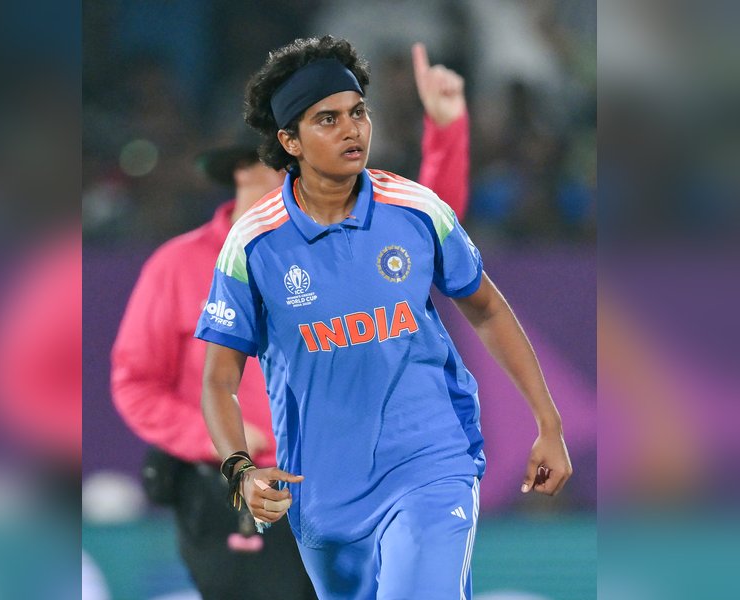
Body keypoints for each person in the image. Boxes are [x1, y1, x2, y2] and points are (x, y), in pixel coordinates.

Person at [196, 36, 572, 599]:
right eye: (328, 119)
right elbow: (219, 379)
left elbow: (488, 307)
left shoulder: (415, 209)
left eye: (358, 112)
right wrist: (240, 471)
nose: (352, 130)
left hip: (431, 461)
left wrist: (549, 422)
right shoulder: (252, 245)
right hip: (320, 492)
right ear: (290, 141)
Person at [112, 41, 472, 599]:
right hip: (248, 490)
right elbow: (136, 384)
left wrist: (446, 130)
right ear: (246, 168)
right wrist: (221, 446)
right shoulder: (179, 265)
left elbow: (426, 228)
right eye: (278, 161)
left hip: (345, 478)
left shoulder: (334, 231)